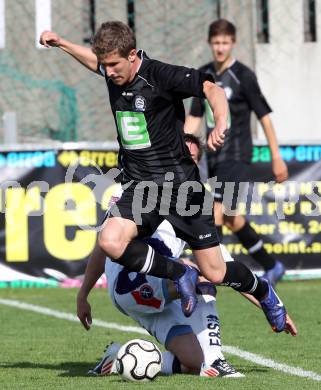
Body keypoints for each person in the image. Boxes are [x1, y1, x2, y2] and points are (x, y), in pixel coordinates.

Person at [39, 21, 287, 332]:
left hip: (182, 189)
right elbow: (94, 62)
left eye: (114, 64)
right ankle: (179, 273)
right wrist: (62, 42)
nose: (108, 72)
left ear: (132, 55)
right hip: (140, 187)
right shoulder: (113, 71)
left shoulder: (160, 75)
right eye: (105, 65)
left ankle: (263, 290)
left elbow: (211, 88)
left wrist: (221, 120)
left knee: (215, 272)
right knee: (111, 240)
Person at [85, 135, 296, 378]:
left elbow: (225, 269)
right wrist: (84, 294)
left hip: (163, 288)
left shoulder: (194, 203)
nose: (183, 161)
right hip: (130, 284)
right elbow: (104, 243)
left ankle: (120, 358)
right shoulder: (139, 189)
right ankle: (216, 360)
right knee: (200, 277)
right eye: (180, 154)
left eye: (191, 158)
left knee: (193, 362)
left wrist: (270, 305)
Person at [185, 19, 288, 286]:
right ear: (210, 43)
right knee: (231, 217)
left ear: (233, 43)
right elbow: (194, 118)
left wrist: (276, 156)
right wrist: (181, 149)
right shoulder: (204, 75)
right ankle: (271, 265)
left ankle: (210, 274)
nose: (220, 48)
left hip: (238, 156)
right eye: (216, 43)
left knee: (216, 212)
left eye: (225, 43)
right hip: (215, 159)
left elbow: (264, 117)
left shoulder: (243, 75)